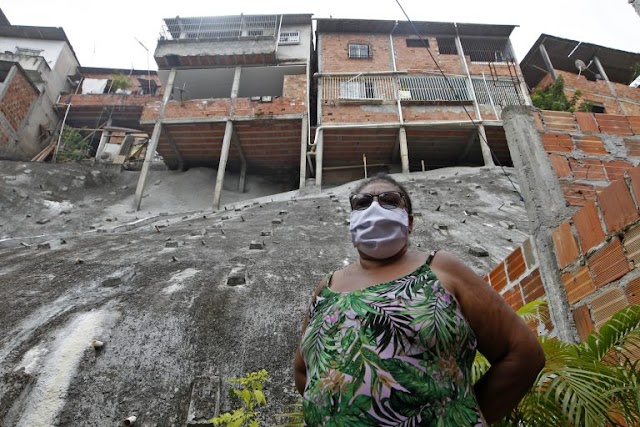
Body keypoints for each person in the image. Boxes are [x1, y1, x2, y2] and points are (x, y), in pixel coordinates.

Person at [293, 173, 545, 426]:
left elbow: (523, 353)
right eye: (362, 203)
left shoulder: (441, 269)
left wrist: (460, 417)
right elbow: (304, 371)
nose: (375, 208)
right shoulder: (326, 288)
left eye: (390, 200)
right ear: (351, 220)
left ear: (409, 221)